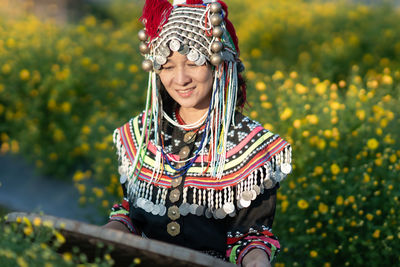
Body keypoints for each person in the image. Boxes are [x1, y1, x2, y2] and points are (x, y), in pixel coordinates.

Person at [104, 0, 292, 266]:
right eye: (167, 67)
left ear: (218, 65)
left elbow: (250, 238)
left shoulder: (253, 147)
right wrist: (101, 237)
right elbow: (131, 215)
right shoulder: (142, 134)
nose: (180, 79)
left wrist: (256, 260)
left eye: (193, 63)